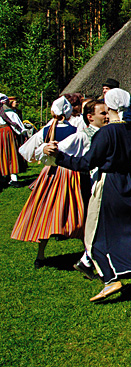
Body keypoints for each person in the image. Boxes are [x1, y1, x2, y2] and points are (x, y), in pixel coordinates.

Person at [45, 88, 131, 301]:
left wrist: (59, 157)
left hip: (111, 183)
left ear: (108, 106)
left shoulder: (105, 133)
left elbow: (86, 162)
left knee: (94, 233)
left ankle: (110, 279)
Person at [12, 97, 85, 268]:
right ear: (67, 113)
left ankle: (40, 255)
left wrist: (42, 152)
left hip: (50, 175)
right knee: (78, 213)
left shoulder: (45, 130)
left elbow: (25, 151)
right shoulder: (76, 130)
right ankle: (88, 254)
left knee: (46, 214)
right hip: (70, 174)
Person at [40, 99, 108, 280]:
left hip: (108, 183)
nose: (107, 116)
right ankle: (90, 262)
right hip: (90, 184)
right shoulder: (83, 136)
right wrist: (46, 149)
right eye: (103, 113)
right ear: (90, 117)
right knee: (95, 224)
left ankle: (90, 261)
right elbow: (52, 148)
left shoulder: (108, 132)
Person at [0, 93, 26, 187]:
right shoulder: (9, 112)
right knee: (11, 154)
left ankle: (5, 177)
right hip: (7, 134)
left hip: (3, 133)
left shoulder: (8, 112)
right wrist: (22, 133)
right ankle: (13, 179)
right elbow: (20, 128)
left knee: (3, 155)